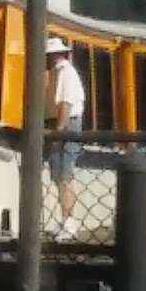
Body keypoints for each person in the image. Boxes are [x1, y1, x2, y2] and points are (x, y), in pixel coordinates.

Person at [45, 35, 86, 240]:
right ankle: (65, 219)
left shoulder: (65, 72)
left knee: (65, 174)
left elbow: (65, 104)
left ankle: (69, 222)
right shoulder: (58, 72)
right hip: (60, 122)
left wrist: (58, 131)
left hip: (65, 124)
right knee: (59, 174)